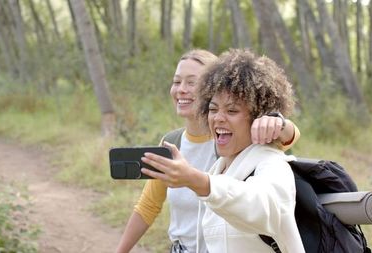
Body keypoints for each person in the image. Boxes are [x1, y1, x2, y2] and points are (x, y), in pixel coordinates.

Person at [115, 49, 300, 253]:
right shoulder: (213, 161)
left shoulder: (266, 160)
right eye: (213, 109)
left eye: (231, 110)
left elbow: (262, 205)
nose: (219, 117)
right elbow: (148, 205)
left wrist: (280, 124)